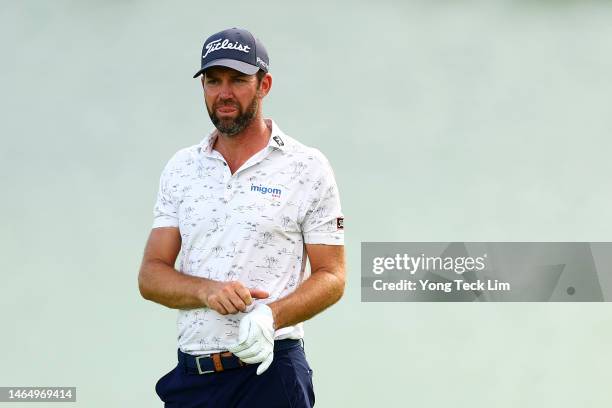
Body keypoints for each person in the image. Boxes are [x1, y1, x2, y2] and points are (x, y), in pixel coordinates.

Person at [138, 27, 346, 407]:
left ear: (264, 85)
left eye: (238, 80)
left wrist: (272, 316)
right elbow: (152, 274)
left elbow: (332, 276)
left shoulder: (306, 167)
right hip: (194, 377)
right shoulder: (181, 168)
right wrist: (206, 290)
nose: (224, 93)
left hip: (272, 374)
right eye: (213, 81)